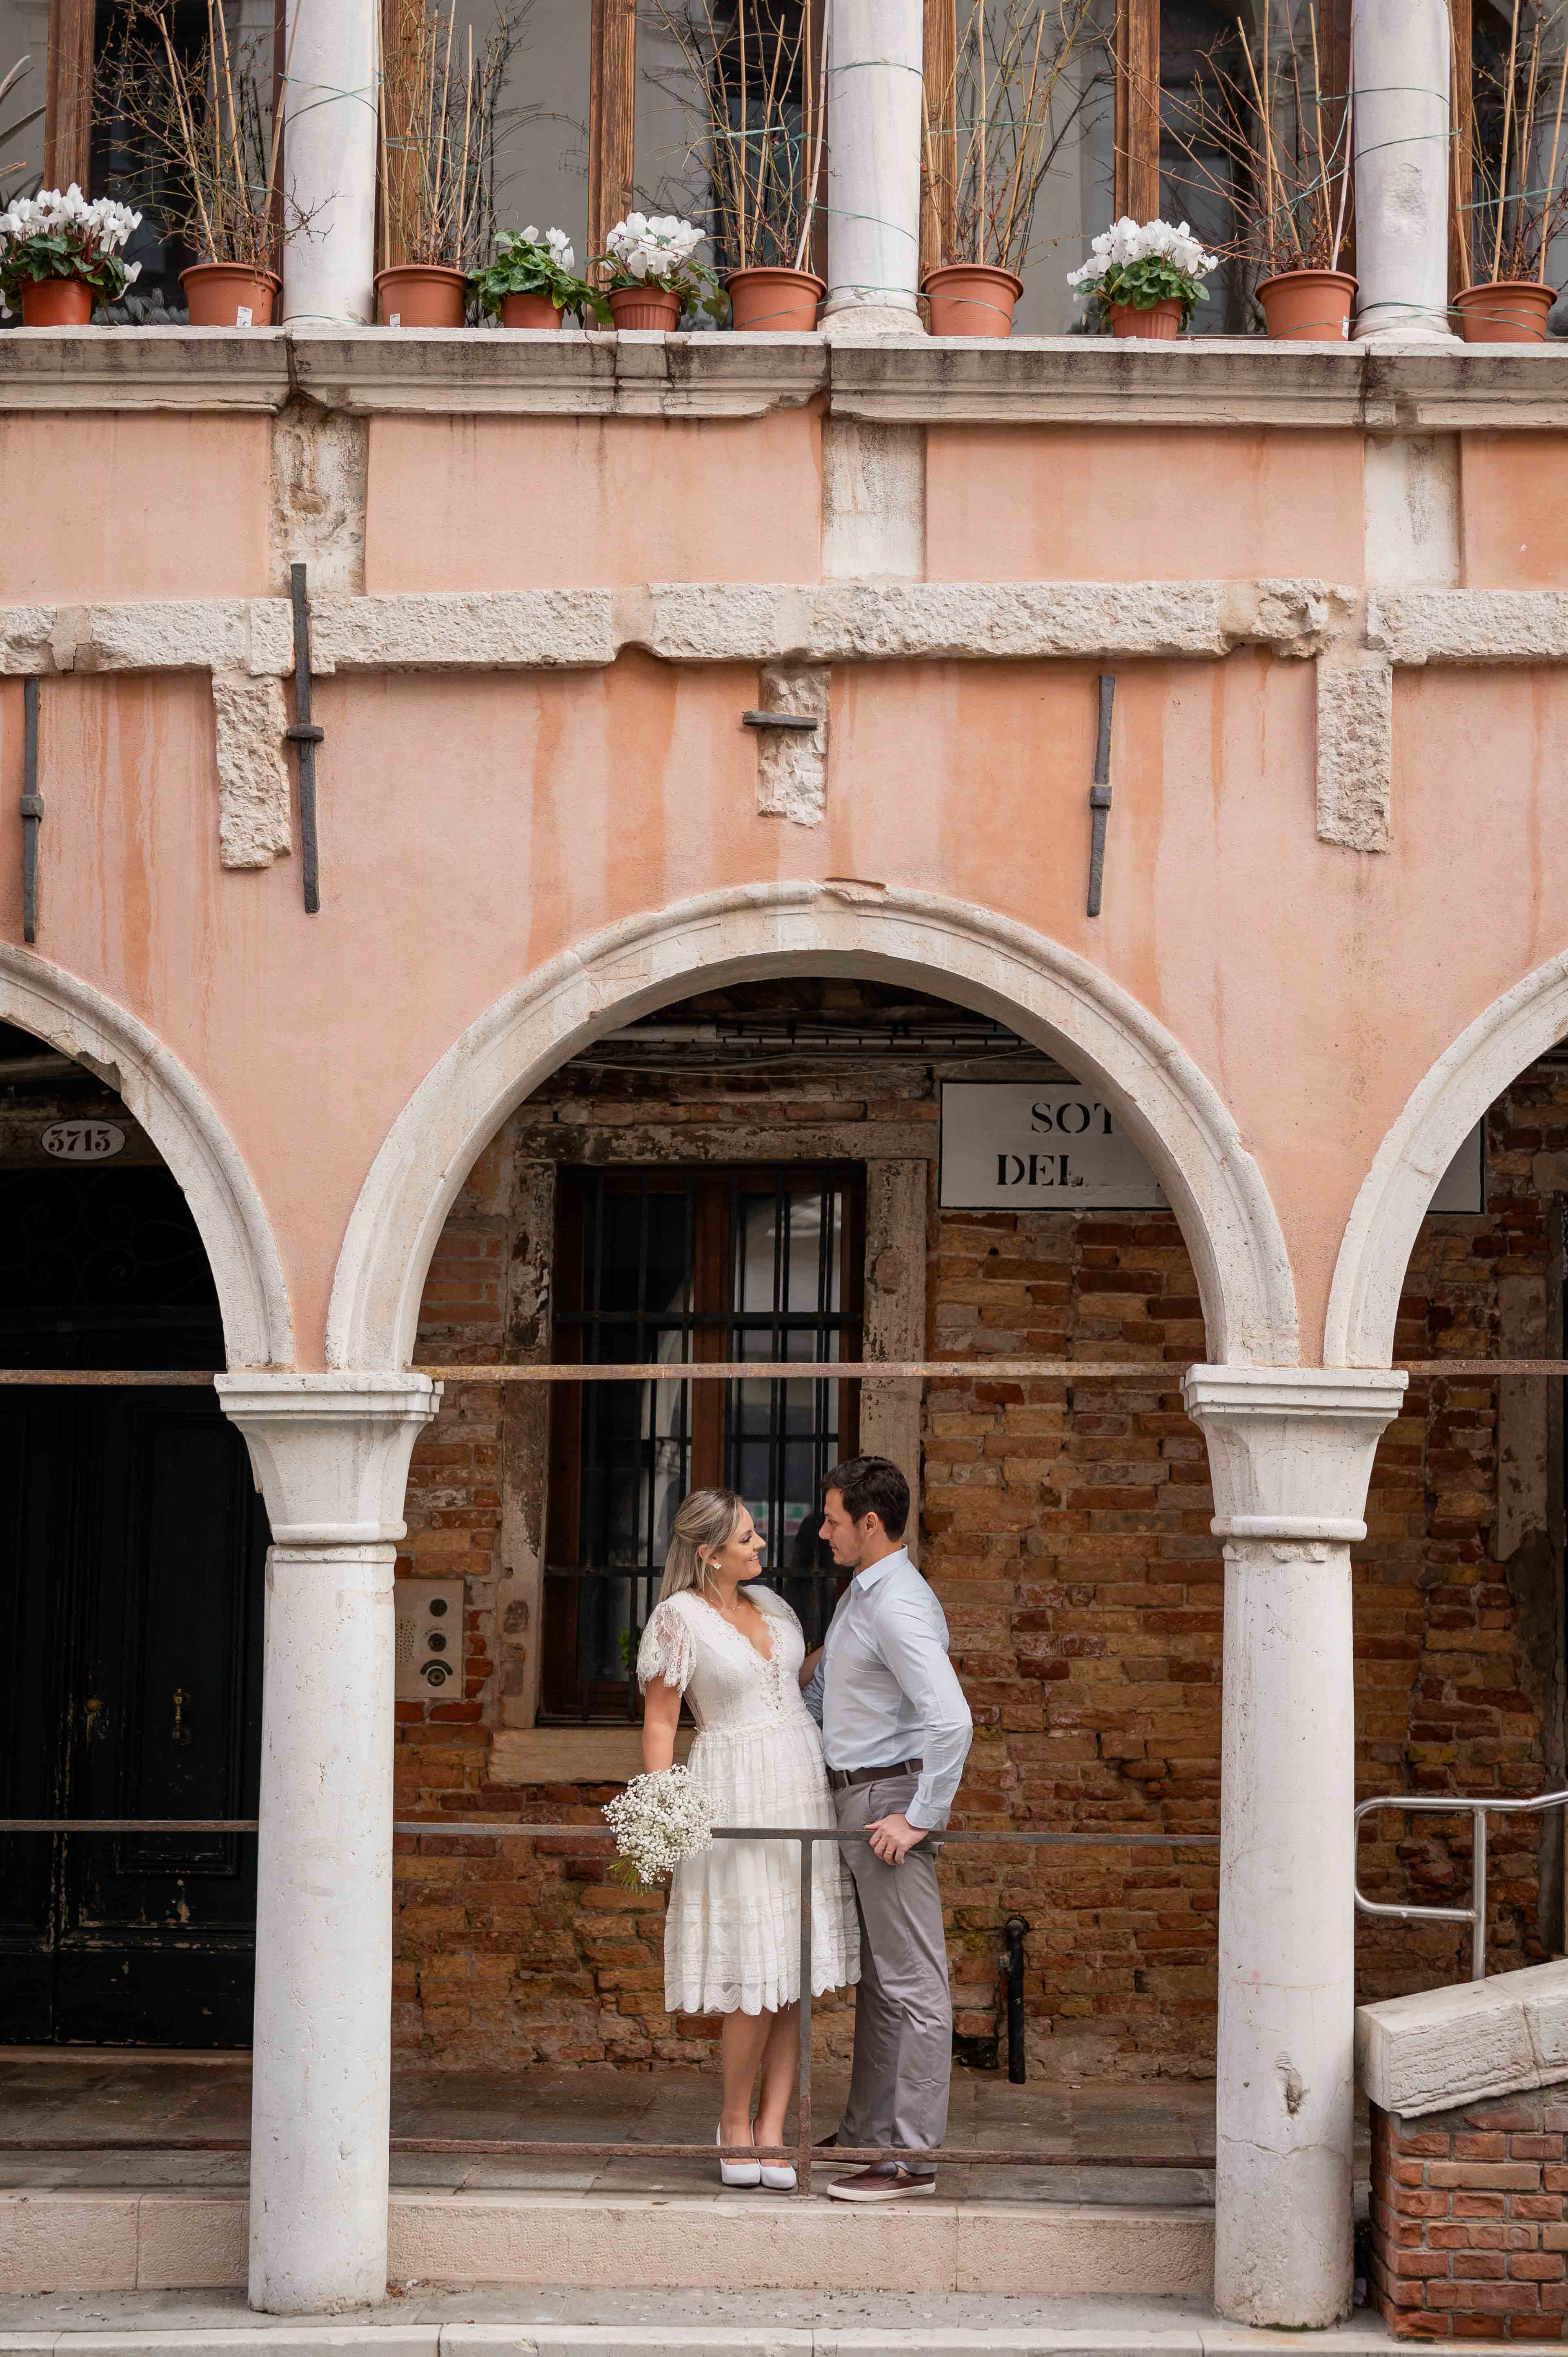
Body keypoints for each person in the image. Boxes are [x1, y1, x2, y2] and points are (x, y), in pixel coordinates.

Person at [637, 1487, 858, 2190]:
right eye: (746, 1537)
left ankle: (773, 2127)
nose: (761, 1543)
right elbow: (661, 1720)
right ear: (707, 1554)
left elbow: (792, 1682)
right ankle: (733, 2122)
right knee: (752, 1977)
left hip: (801, 1785)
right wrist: (663, 1809)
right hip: (734, 1789)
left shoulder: (774, 1606)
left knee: (793, 1972)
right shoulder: (677, 1619)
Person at [800, 1455, 973, 2203]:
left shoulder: (896, 1604)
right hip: (859, 1795)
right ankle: (868, 2134)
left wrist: (918, 1816)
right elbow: (828, 1695)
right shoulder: (863, 1594)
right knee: (882, 1981)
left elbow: (951, 1719)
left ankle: (910, 2158)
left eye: (833, 1519)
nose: (823, 1531)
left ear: (870, 1523)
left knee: (914, 1984)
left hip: (886, 1800)